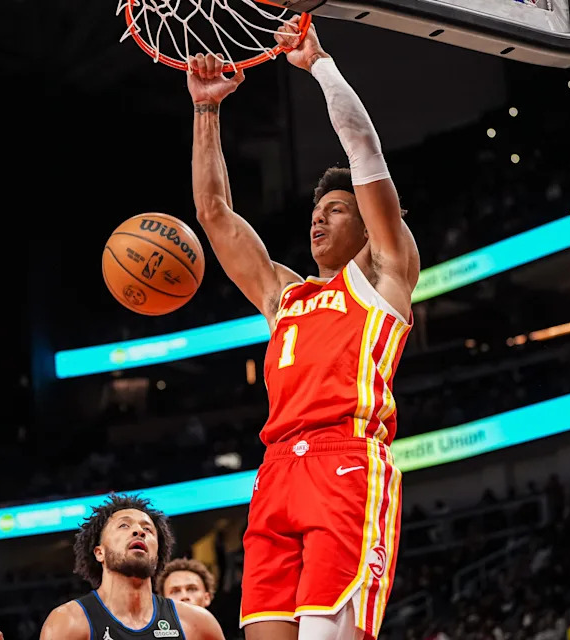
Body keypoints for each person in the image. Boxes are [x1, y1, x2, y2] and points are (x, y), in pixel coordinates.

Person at [187, 17, 419, 640]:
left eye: (336, 211)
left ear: (369, 228)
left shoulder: (384, 276)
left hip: (344, 462)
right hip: (275, 475)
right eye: (315, 213)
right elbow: (214, 215)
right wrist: (206, 112)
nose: (318, 223)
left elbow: (363, 150)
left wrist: (320, 66)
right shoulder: (284, 295)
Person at [39, 494, 224, 640]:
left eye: (148, 529)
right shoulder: (69, 623)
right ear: (99, 552)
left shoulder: (197, 624)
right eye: (124, 525)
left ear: (157, 555)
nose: (139, 531)